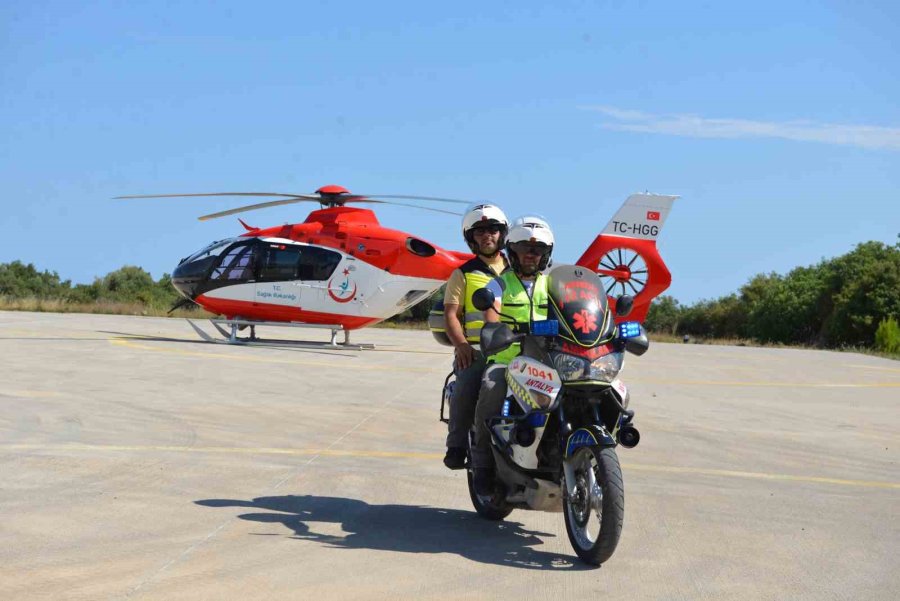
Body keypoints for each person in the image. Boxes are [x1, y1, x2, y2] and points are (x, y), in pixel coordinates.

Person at [470, 215, 555, 495]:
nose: (531, 254)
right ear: (512, 252)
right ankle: (481, 466)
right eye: (524, 249)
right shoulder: (499, 284)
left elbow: (577, 310)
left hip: (548, 362)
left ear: (546, 253)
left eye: (538, 249)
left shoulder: (553, 285)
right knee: (491, 391)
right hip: (508, 360)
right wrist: (495, 327)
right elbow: (491, 312)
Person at [441, 204, 510, 470]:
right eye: (479, 231)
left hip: (518, 348)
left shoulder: (518, 270)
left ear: (502, 234)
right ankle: (456, 445)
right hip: (478, 349)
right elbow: (450, 315)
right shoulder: (464, 274)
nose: (486, 235)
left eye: (492, 229)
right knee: (466, 386)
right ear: (472, 238)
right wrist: (460, 345)